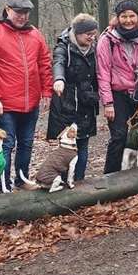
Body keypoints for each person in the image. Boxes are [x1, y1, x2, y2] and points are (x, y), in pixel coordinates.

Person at [0, 0, 53, 190]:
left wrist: (47, 91)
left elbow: (44, 64)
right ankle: (4, 185)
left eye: (26, 12)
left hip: (31, 102)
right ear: (7, 10)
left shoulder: (35, 34)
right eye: (18, 12)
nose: (22, 16)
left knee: (26, 144)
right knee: (6, 145)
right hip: (5, 104)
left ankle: (22, 180)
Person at [96, 0, 138, 174]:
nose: (128, 20)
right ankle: (110, 177)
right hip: (117, 94)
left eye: (132, 16)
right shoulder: (107, 40)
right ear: (117, 18)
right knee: (119, 136)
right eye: (124, 16)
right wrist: (108, 103)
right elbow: (102, 73)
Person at [46, 13, 99, 181]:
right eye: (88, 34)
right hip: (67, 104)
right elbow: (58, 63)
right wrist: (59, 79)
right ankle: (63, 181)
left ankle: (79, 181)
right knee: (66, 149)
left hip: (86, 103)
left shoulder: (95, 48)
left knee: (83, 145)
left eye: (93, 34)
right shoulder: (64, 47)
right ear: (77, 32)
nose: (91, 37)